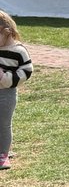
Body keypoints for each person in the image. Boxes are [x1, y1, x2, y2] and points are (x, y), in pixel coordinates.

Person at [0, 11, 33, 170]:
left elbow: (26, 71)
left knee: (3, 124)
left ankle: (3, 154)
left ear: (6, 32)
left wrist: (5, 78)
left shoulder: (18, 51)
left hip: (6, 94)